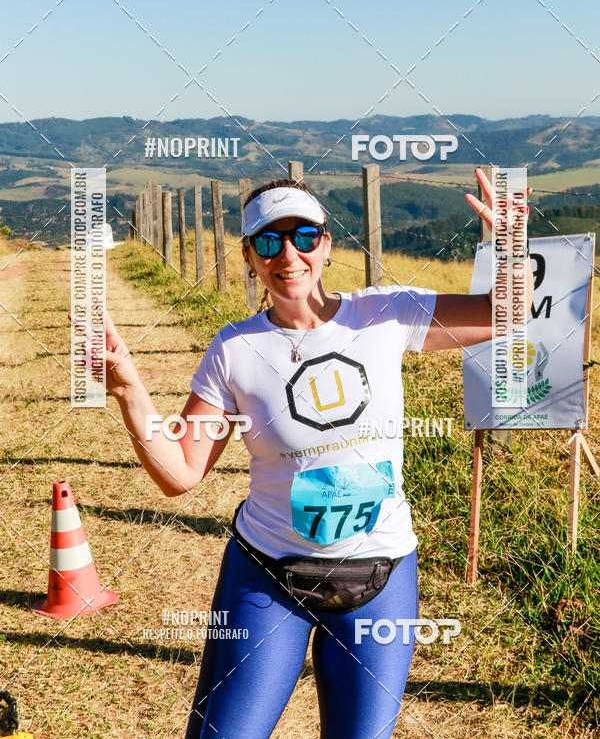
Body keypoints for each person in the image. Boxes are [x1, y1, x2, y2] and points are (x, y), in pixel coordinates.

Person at [84, 168, 532, 738]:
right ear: (248, 256)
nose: (287, 253)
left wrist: (511, 249)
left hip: (382, 574)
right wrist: (127, 386)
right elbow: (181, 472)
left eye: (303, 236)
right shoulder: (235, 349)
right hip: (269, 575)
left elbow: (505, 314)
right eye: (268, 240)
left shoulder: (385, 315)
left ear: (327, 244)